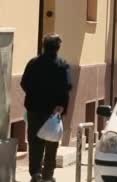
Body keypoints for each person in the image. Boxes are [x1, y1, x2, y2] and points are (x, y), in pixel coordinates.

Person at [20, 33, 72, 182]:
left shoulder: (33, 63)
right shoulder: (62, 65)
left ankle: (36, 173)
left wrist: (33, 96)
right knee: (52, 142)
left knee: (35, 141)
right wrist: (61, 106)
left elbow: (24, 83)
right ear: (58, 48)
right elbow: (67, 87)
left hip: (35, 109)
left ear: (44, 46)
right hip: (54, 112)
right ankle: (48, 175)